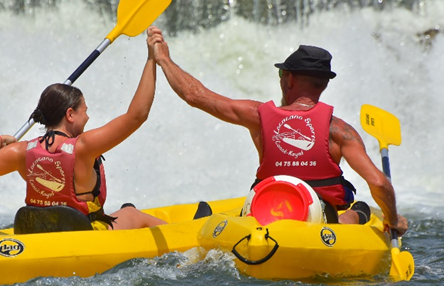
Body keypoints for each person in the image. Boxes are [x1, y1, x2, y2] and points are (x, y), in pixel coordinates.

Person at [148, 26, 407, 235]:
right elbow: (378, 182)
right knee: (358, 209)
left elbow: (195, 96)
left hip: (261, 210)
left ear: (289, 78)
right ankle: (354, 215)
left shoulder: (258, 115)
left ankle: (213, 224)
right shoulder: (340, 131)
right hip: (318, 219)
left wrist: (163, 59)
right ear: (324, 85)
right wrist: (393, 220)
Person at [0, 28, 166, 231]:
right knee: (131, 214)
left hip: (38, 234)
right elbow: (137, 116)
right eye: (84, 111)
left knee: (125, 212)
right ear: (70, 114)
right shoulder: (84, 147)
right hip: (84, 236)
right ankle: (186, 238)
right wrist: (151, 59)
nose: (88, 117)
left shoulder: (21, 152)